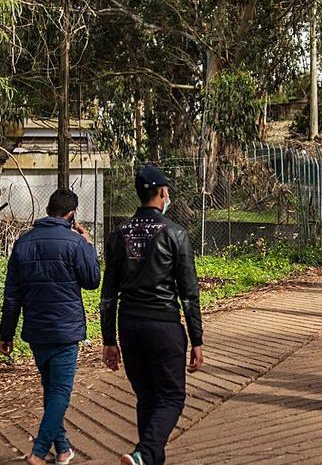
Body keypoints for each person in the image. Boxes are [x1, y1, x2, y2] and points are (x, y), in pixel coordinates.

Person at [100, 165, 204, 465]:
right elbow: (188, 293)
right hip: (164, 326)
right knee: (171, 398)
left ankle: (145, 460)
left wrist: (109, 339)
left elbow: (108, 294)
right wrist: (196, 338)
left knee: (146, 398)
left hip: (129, 326)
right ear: (162, 192)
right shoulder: (176, 234)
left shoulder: (118, 234)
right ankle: (144, 454)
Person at [0, 189, 100, 465]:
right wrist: (88, 244)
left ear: (48, 209)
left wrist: (5, 333)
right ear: (72, 214)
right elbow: (92, 280)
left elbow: (12, 295)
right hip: (66, 330)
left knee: (50, 389)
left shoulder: (23, 243)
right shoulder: (76, 243)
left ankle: (63, 449)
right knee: (60, 393)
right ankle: (39, 452)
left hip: (36, 329)